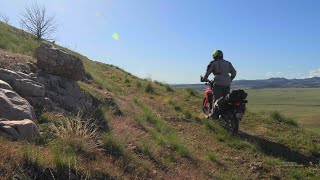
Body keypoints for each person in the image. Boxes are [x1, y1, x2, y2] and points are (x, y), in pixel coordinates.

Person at [201, 50, 237, 118]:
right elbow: (234, 73)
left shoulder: (213, 63)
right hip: (227, 83)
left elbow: (207, 74)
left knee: (216, 100)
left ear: (214, 56)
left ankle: (213, 117)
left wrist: (204, 79)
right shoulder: (228, 63)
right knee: (226, 99)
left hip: (218, 83)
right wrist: (230, 79)